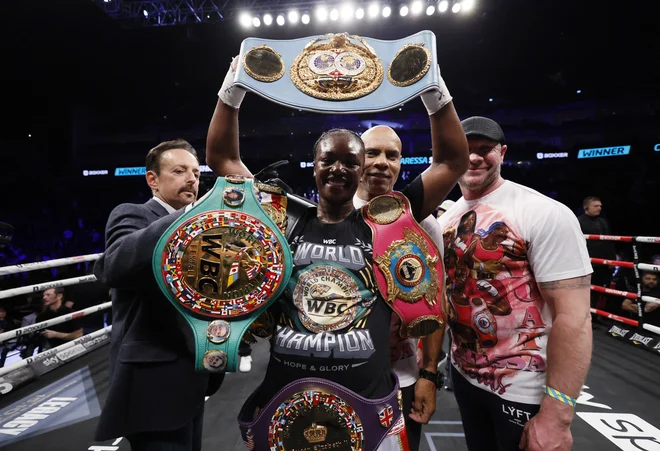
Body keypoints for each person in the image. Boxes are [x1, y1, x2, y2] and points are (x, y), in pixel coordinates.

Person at [206, 57, 468, 449]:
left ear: (362, 170)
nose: (339, 169)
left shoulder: (387, 223)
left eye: (350, 162)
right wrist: (233, 88)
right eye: (329, 159)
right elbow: (223, 161)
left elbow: (451, 162)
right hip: (287, 399)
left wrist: (435, 89)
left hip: (369, 405)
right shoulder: (284, 217)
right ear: (314, 166)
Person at [437, 116, 593, 451]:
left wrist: (558, 414)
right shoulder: (447, 220)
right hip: (464, 376)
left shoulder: (543, 213)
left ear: (503, 153)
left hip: (523, 385)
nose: (475, 157)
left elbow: (574, 317)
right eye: (467, 149)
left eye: (485, 149)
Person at [93, 139, 224, 451]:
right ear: (153, 179)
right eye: (179, 171)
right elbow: (113, 266)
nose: (192, 178)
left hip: (192, 373)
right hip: (149, 380)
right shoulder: (132, 214)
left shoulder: (206, 232)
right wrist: (191, 213)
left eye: (195, 172)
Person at [354, 125, 449, 451]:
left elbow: (436, 303)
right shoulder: (333, 214)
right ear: (356, 160)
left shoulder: (423, 223)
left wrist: (429, 374)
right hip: (340, 374)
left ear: (400, 164)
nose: (382, 162)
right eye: (372, 153)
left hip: (401, 377)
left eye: (391, 155)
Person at [577, 196, 617, 313]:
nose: (599, 208)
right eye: (596, 206)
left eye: (600, 206)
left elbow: (609, 241)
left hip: (603, 262)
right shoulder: (578, 221)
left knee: (600, 290)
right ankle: (586, 316)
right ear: (586, 207)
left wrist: (612, 259)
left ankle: (596, 315)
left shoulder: (603, 221)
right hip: (587, 262)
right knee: (587, 291)